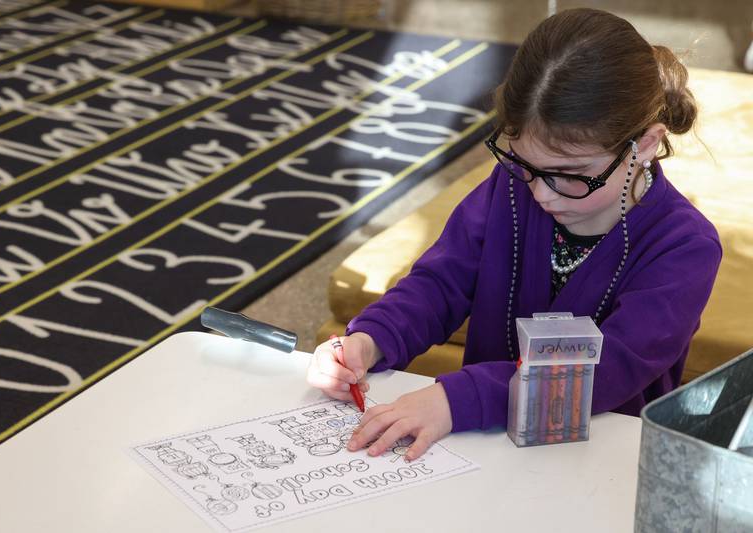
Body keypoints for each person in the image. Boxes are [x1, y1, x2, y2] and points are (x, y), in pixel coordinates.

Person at [306, 8, 722, 461]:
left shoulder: (685, 247)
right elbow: (439, 285)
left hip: (596, 461)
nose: (542, 193)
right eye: (524, 163)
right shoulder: (511, 187)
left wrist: (454, 399)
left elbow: (607, 372)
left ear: (643, 145)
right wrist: (370, 339)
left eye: (570, 174)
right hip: (485, 446)